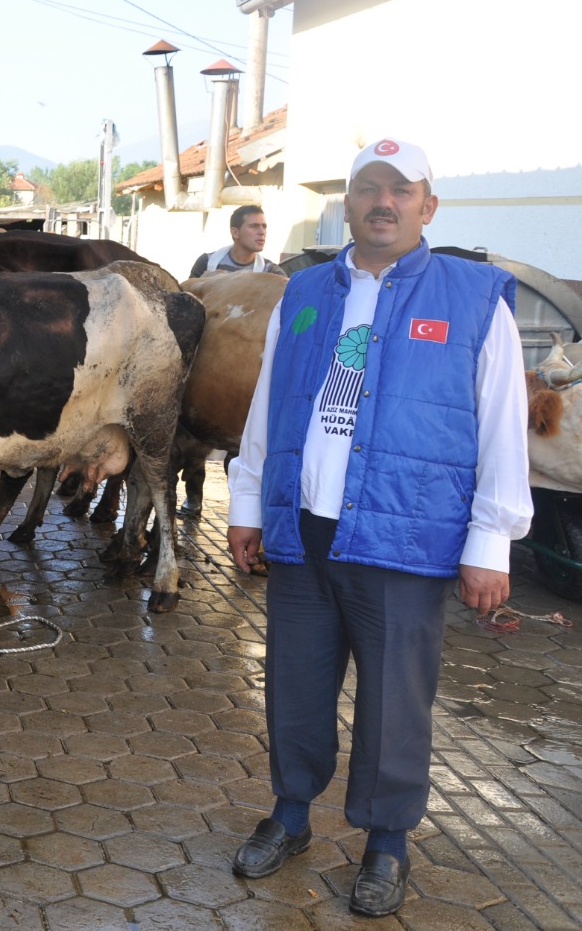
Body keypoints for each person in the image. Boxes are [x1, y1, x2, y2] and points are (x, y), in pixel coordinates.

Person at [225, 138, 531, 917]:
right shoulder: (303, 292)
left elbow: (503, 425)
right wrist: (248, 504)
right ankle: (291, 814)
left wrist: (491, 542)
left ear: (428, 207)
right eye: (368, 187)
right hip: (306, 532)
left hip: (406, 537)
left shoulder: (474, 298)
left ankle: (387, 842)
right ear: (349, 202)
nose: (383, 202)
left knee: (396, 699)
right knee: (294, 684)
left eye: (401, 189)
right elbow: (268, 404)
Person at [188, 204, 288, 278]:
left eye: (264, 226)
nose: (262, 232)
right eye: (254, 226)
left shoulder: (272, 272)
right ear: (235, 232)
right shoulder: (207, 262)